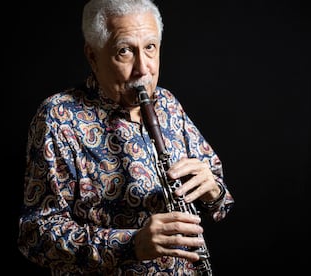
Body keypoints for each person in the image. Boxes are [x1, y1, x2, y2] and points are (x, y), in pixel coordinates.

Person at [17, 0, 235, 275]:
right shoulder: (59, 117)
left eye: (150, 48)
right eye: (124, 51)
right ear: (93, 56)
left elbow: (221, 202)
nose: (143, 68)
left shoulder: (167, 104)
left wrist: (213, 190)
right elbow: (35, 236)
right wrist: (131, 244)